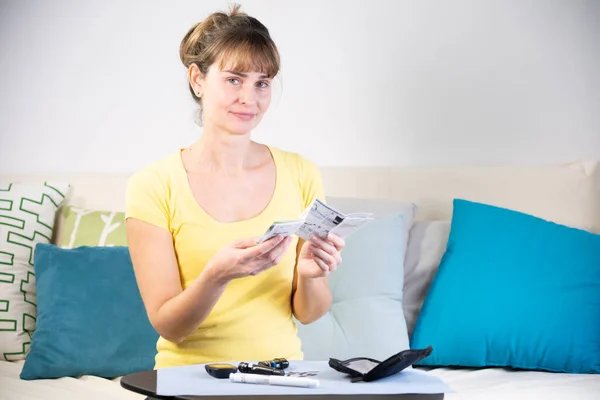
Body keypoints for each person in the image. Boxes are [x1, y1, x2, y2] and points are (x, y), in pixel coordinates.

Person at [124, 3, 346, 369]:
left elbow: (309, 313)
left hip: (279, 375)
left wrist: (310, 276)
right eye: (234, 79)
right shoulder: (153, 185)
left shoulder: (302, 174)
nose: (250, 98)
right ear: (198, 80)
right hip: (190, 379)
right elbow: (169, 326)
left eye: (262, 83)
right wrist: (217, 276)